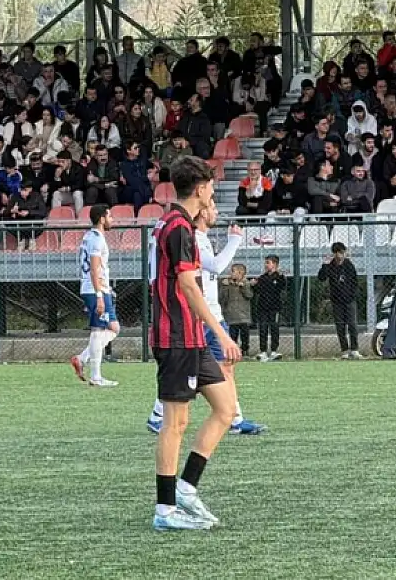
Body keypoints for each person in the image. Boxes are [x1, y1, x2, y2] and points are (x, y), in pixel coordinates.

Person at [146, 155, 239, 533]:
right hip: (177, 337)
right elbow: (186, 285)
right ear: (200, 188)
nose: (213, 192)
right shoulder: (179, 228)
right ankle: (165, 510)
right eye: (211, 186)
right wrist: (220, 332)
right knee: (175, 423)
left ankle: (185, 488)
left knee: (226, 408)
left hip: (191, 337)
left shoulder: (171, 222)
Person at [72, 204, 120, 387]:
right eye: (110, 216)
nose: (112, 219)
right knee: (98, 330)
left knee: (113, 328)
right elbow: (94, 269)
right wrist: (100, 294)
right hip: (95, 289)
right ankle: (96, 375)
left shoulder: (89, 236)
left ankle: (82, 358)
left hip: (97, 288)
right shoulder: (97, 240)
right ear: (102, 218)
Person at [319, 241, 361, 359]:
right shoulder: (330, 265)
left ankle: (354, 349)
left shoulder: (348, 265)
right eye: (337, 253)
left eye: (341, 253)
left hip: (349, 300)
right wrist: (325, 265)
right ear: (334, 254)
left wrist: (352, 295)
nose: (339, 256)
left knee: (352, 325)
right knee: (340, 326)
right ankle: (344, 350)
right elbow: (321, 278)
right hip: (337, 301)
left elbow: (354, 281)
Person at [254, 255, 287, 361]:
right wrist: (254, 284)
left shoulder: (279, 277)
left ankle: (274, 351)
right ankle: (263, 351)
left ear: (275, 264)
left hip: (274, 308)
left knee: (274, 329)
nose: (266, 264)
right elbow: (257, 290)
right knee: (263, 329)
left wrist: (281, 276)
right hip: (262, 308)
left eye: (268, 262)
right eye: (266, 262)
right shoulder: (262, 278)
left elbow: (283, 286)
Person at [219, 263, 254, 358]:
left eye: (233, 271)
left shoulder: (246, 283)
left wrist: (242, 287)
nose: (231, 273)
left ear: (240, 273)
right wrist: (225, 287)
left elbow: (249, 295)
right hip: (231, 315)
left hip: (243, 316)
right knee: (232, 335)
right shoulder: (227, 283)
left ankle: (245, 351)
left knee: (245, 335)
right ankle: (233, 352)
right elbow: (222, 298)